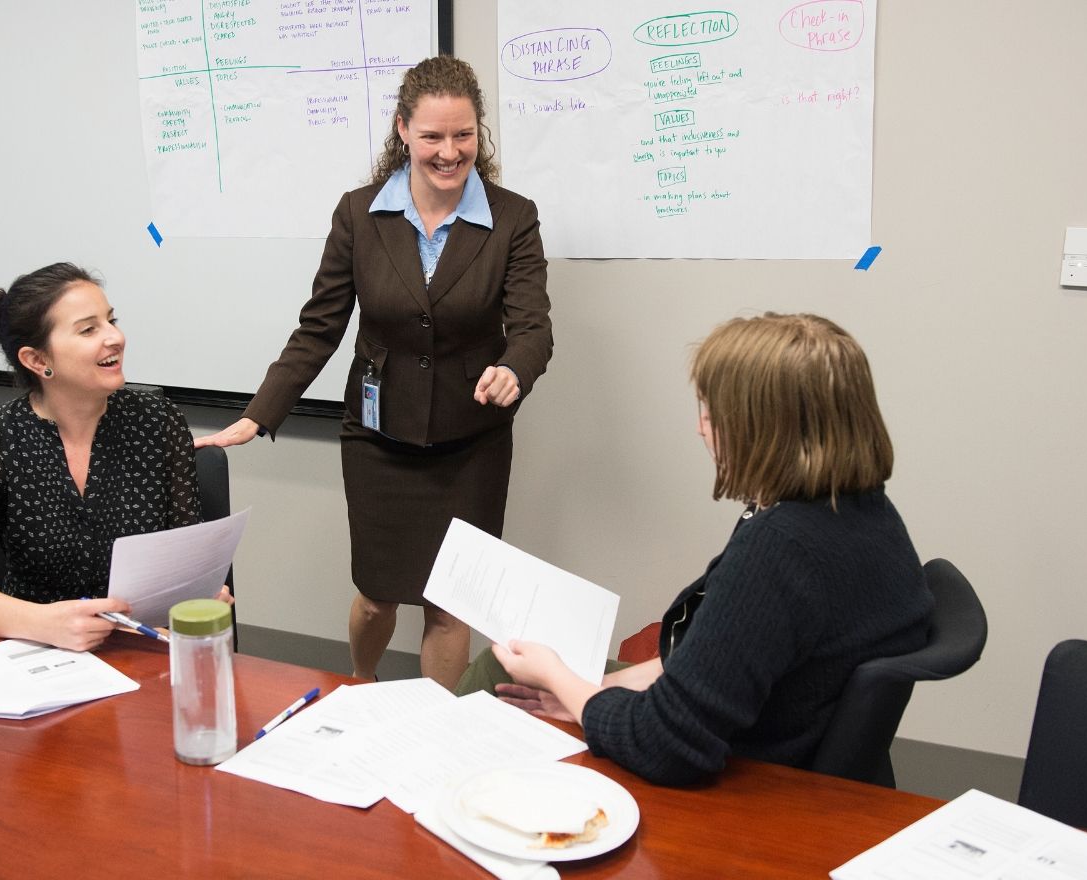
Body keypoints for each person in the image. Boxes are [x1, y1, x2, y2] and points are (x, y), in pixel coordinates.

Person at [196, 56, 553, 689]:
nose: (449, 152)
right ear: (403, 131)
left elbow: (532, 329)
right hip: (377, 437)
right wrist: (259, 413)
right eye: (433, 136)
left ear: (480, 133)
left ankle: (435, 730)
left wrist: (513, 371)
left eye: (463, 135)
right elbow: (320, 326)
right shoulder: (359, 214)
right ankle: (362, 686)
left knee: (449, 605)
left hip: (471, 443)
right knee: (377, 596)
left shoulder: (513, 218)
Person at [478, 313, 933, 786]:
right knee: (520, 671)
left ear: (766, 428)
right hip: (766, 730)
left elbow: (665, 745)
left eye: (715, 413)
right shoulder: (863, 511)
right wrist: (592, 691)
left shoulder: (783, 549)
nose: (701, 428)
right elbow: (714, 656)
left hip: (740, 780)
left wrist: (559, 680)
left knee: (499, 669)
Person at [0, 262, 226, 651]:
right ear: (37, 360)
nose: (115, 337)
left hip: (141, 647)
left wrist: (200, 593)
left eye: (111, 321)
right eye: (89, 329)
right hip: (36, 651)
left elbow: (186, 556)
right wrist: (46, 622)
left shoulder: (157, 422)